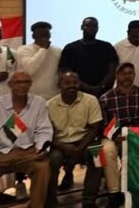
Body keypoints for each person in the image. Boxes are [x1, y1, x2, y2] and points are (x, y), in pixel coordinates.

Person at [0, 72, 51, 208]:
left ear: (30, 84)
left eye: (26, 82)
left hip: (27, 152)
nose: (22, 86)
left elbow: (44, 130)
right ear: (10, 85)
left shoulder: (39, 103)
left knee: (42, 168)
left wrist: (41, 148)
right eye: (18, 82)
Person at [46, 72, 103, 208]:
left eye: (75, 82)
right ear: (59, 85)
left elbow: (95, 127)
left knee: (98, 154)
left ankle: (89, 200)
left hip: (85, 141)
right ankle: (50, 201)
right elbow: (47, 134)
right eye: (67, 83)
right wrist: (65, 147)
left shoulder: (90, 100)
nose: (72, 85)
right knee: (52, 160)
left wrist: (79, 148)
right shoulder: (49, 105)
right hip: (60, 145)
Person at [99, 63, 139, 199]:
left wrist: (137, 135)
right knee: (106, 150)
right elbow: (104, 124)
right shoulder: (106, 98)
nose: (127, 76)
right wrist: (115, 136)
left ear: (134, 75)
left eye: (130, 73)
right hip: (115, 136)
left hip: (138, 135)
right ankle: (114, 192)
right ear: (117, 76)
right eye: (123, 74)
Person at [59, 17, 118, 98]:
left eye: (94, 26)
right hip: (77, 93)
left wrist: (101, 86)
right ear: (82, 27)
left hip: (104, 93)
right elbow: (66, 71)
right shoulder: (70, 48)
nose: (91, 28)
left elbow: (113, 69)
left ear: (97, 29)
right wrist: (87, 87)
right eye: (88, 25)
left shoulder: (107, 47)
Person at [16, 21, 61, 100]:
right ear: (33, 36)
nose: (44, 37)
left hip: (54, 97)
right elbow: (29, 70)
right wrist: (43, 49)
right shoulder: (24, 50)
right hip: (31, 97)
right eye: (41, 34)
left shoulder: (58, 51)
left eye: (46, 34)